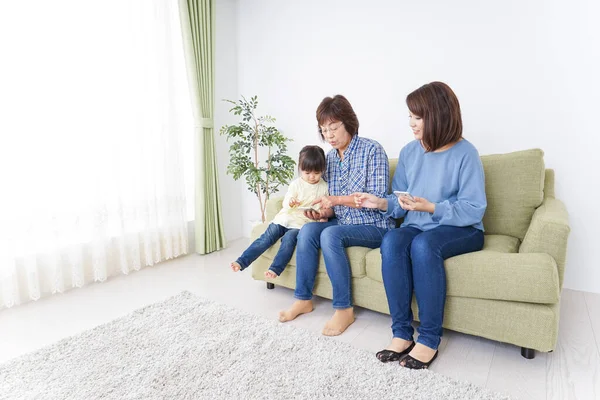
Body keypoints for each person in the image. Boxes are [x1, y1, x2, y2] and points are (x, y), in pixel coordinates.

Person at [355, 81, 487, 369]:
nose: (411, 124)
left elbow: (474, 209)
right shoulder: (409, 152)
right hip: (417, 224)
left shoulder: (466, 153)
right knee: (392, 241)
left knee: (424, 245)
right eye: (410, 117)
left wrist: (431, 207)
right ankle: (402, 334)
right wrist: (380, 203)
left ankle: (428, 339)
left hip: (461, 229)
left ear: (438, 115)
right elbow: (400, 200)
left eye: (418, 117)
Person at [278, 95, 395, 336]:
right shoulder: (329, 158)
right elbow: (332, 205)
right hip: (342, 221)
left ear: (349, 123)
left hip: (374, 225)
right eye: (324, 130)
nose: (329, 135)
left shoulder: (372, 150)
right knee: (309, 230)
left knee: (331, 235)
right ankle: (303, 298)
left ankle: (344, 309)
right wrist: (322, 212)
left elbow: (375, 199)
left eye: (333, 127)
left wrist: (335, 201)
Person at [231, 145, 329, 279]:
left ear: (323, 169)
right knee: (266, 238)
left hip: (302, 224)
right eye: (307, 173)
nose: (312, 177)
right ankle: (242, 261)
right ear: (300, 169)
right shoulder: (296, 184)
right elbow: (286, 202)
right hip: (285, 218)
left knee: (288, 240)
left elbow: (325, 207)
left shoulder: (324, 187)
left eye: (316, 173)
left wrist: (322, 217)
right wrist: (291, 202)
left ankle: (275, 269)